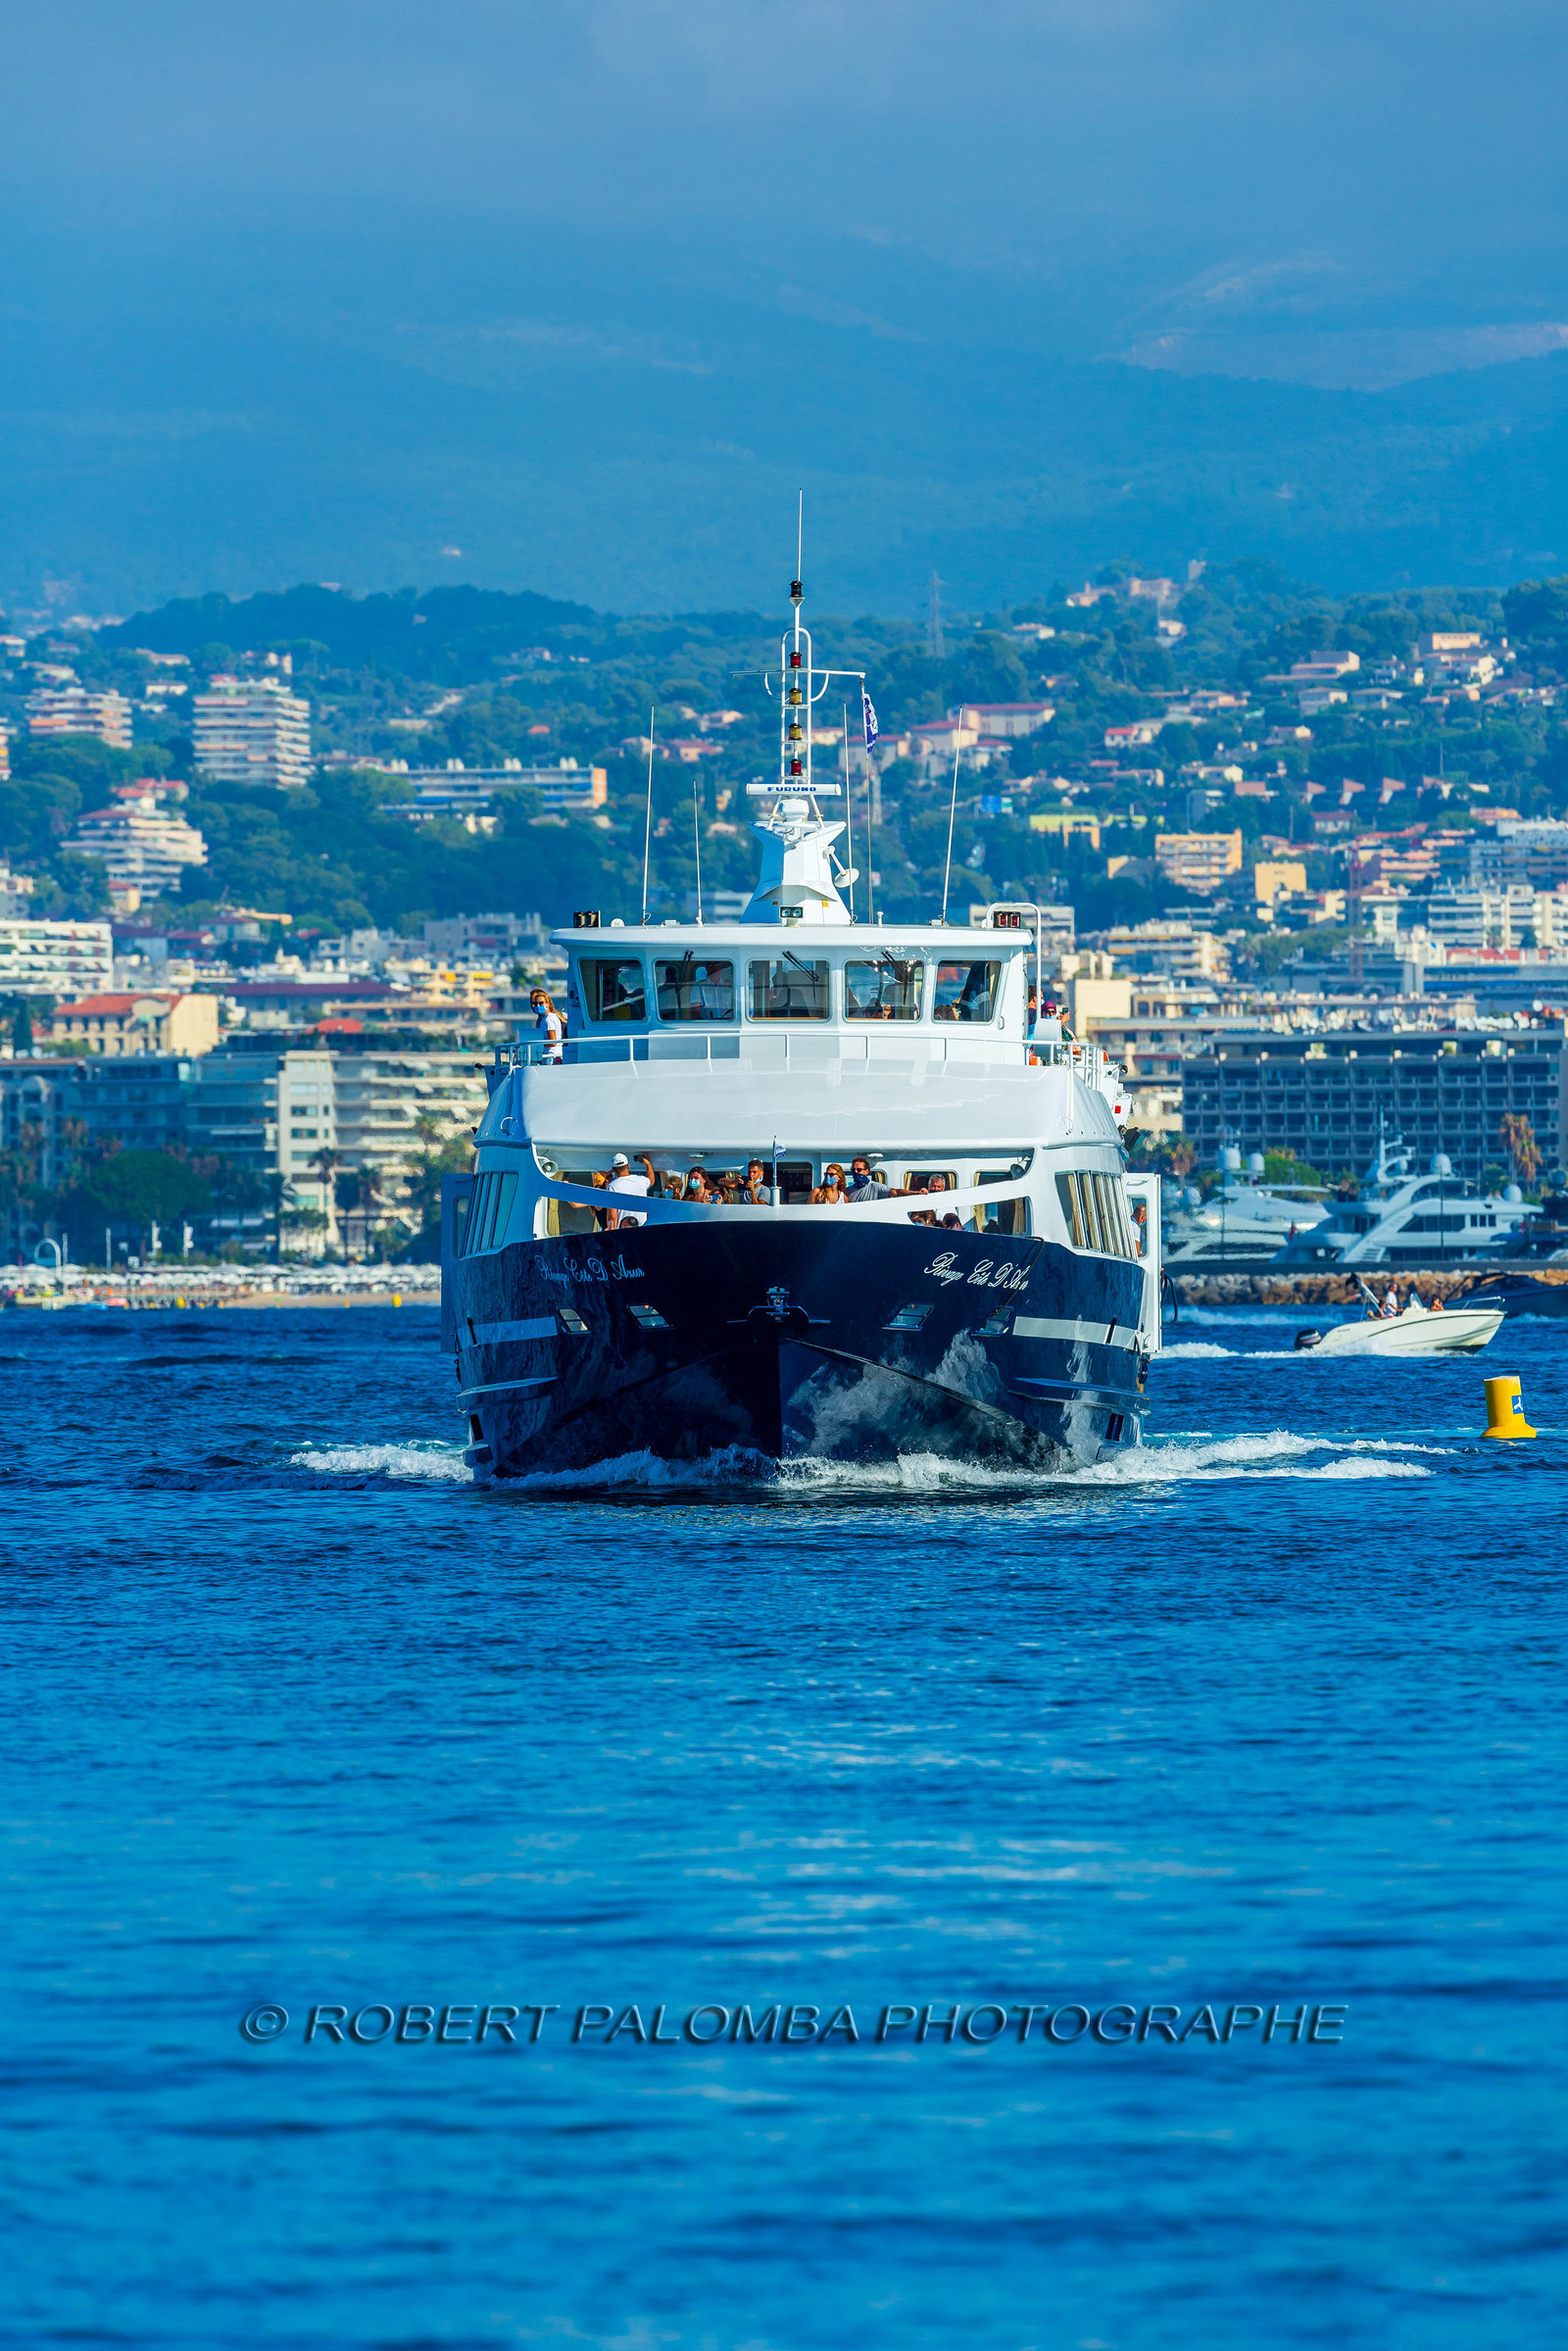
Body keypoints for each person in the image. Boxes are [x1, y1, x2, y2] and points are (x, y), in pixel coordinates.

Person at [606, 1151, 655, 1230]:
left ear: (613, 1169)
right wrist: (648, 1164)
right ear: (628, 1166)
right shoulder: (641, 1181)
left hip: (624, 1232)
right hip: (642, 1230)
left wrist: (611, 1234)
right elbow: (651, 1180)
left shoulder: (612, 1186)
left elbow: (613, 1217)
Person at [530, 988, 564, 1064]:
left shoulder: (548, 1019)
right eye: (536, 1004)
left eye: (541, 1003)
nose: (538, 1006)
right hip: (556, 1054)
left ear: (547, 1004)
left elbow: (553, 1042)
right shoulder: (553, 1016)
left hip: (551, 1056)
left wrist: (537, 1045)